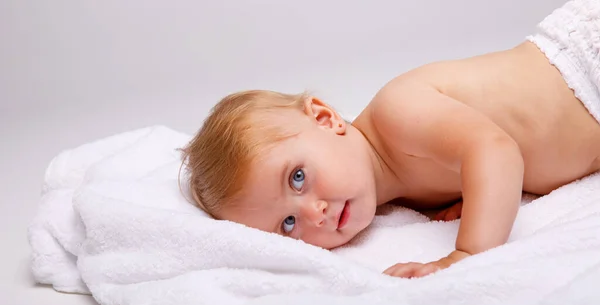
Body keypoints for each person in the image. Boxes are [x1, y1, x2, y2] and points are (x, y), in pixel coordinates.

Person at [181, 0, 600, 278]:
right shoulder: (399, 191)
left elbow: (496, 151)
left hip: (585, 63)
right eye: (288, 225)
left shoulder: (397, 114)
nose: (316, 214)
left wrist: (467, 254)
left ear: (325, 118)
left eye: (296, 178)